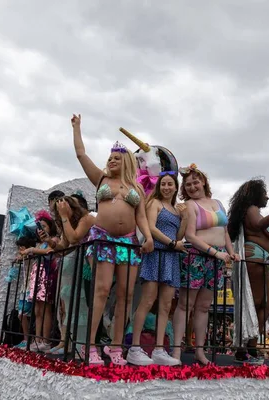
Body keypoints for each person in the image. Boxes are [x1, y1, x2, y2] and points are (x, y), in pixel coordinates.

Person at [72, 114, 154, 365]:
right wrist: (77, 128)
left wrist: (148, 237)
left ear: (127, 161)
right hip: (103, 239)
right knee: (102, 290)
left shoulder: (136, 188)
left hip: (128, 244)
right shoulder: (101, 179)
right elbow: (81, 155)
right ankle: (91, 345)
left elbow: (140, 216)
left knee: (127, 295)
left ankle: (116, 347)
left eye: (117, 157)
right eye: (110, 157)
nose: (112, 160)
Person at [171, 163, 239, 365]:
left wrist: (231, 252)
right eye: (188, 184)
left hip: (217, 259)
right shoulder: (190, 206)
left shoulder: (218, 202)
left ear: (203, 182)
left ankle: (200, 352)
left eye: (195, 182)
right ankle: (176, 351)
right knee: (185, 305)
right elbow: (190, 235)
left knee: (203, 307)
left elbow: (225, 231)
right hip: (196, 256)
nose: (192, 187)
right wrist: (214, 253)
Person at [128, 172, 188, 366]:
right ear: (159, 186)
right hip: (157, 254)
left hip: (170, 257)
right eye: (163, 184)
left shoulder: (177, 209)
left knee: (165, 306)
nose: (166, 187)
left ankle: (159, 349)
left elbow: (180, 234)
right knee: (147, 301)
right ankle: (135, 347)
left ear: (176, 187)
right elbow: (151, 228)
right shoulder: (154, 203)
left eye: (170, 184)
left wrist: (185, 217)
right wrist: (171, 243)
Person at [227, 178, 269, 363]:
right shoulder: (251, 209)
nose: (267, 197)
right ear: (255, 195)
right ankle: (244, 347)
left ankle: (249, 345)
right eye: (264, 193)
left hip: (258, 262)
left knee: (264, 304)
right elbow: (260, 226)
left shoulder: (251, 210)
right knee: (260, 304)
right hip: (254, 263)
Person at [51, 195, 96, 355]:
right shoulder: (68, 222)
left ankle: (81, 345)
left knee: (83, 304)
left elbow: (74, 237)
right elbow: (64, 245)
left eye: (63, 207)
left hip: (87, 264)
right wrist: (51, 243)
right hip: (74, 263)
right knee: (70, 305)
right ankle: (68, 343)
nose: (61, 211)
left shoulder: (87, 218)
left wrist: (64, 217)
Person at [20, 210, 60, 353]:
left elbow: (50, 252)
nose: (41, 229)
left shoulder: (54, 239)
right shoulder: (39, 244)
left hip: (47, 275)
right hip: (37, 275)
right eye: (40, 227)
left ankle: (45, 340)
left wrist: (32, 250)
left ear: (50, 227)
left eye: (44, 226)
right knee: (37, 309)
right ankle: (37, 339)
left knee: (46, 308)